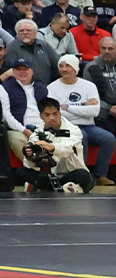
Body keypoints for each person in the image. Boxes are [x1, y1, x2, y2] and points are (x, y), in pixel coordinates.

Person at [50, 55, 113, 188]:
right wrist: (84, 105)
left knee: (109, 139)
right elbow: (56, 114)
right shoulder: (52, 88)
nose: (64, 69)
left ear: (75, 69)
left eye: (68, 66)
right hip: (65, 126)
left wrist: (67, 107)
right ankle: (82, 176)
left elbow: (95, 111)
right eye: (61, 66)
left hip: (88, 124)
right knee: (81, 137)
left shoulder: (88, 86)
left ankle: (100, 175)